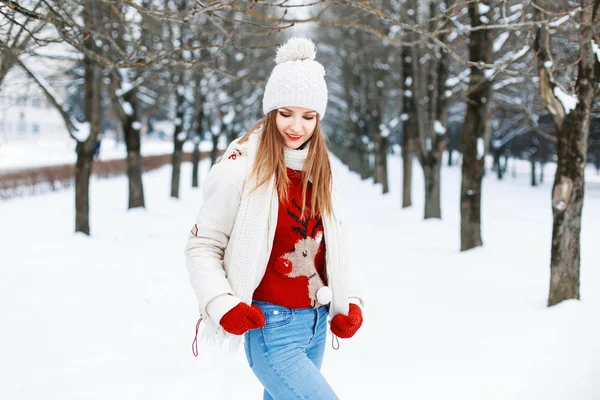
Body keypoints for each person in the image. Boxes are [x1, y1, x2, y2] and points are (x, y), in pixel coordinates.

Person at [184, 37, 364, 400]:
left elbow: (334, 247)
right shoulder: (241, 169)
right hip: (272, 327)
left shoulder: (320, 172)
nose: (296, 126)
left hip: (315, 325)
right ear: (270, 111)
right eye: (286, 114)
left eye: (308, 116)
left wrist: (351, 301)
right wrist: (222, 303)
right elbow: (202, 245)